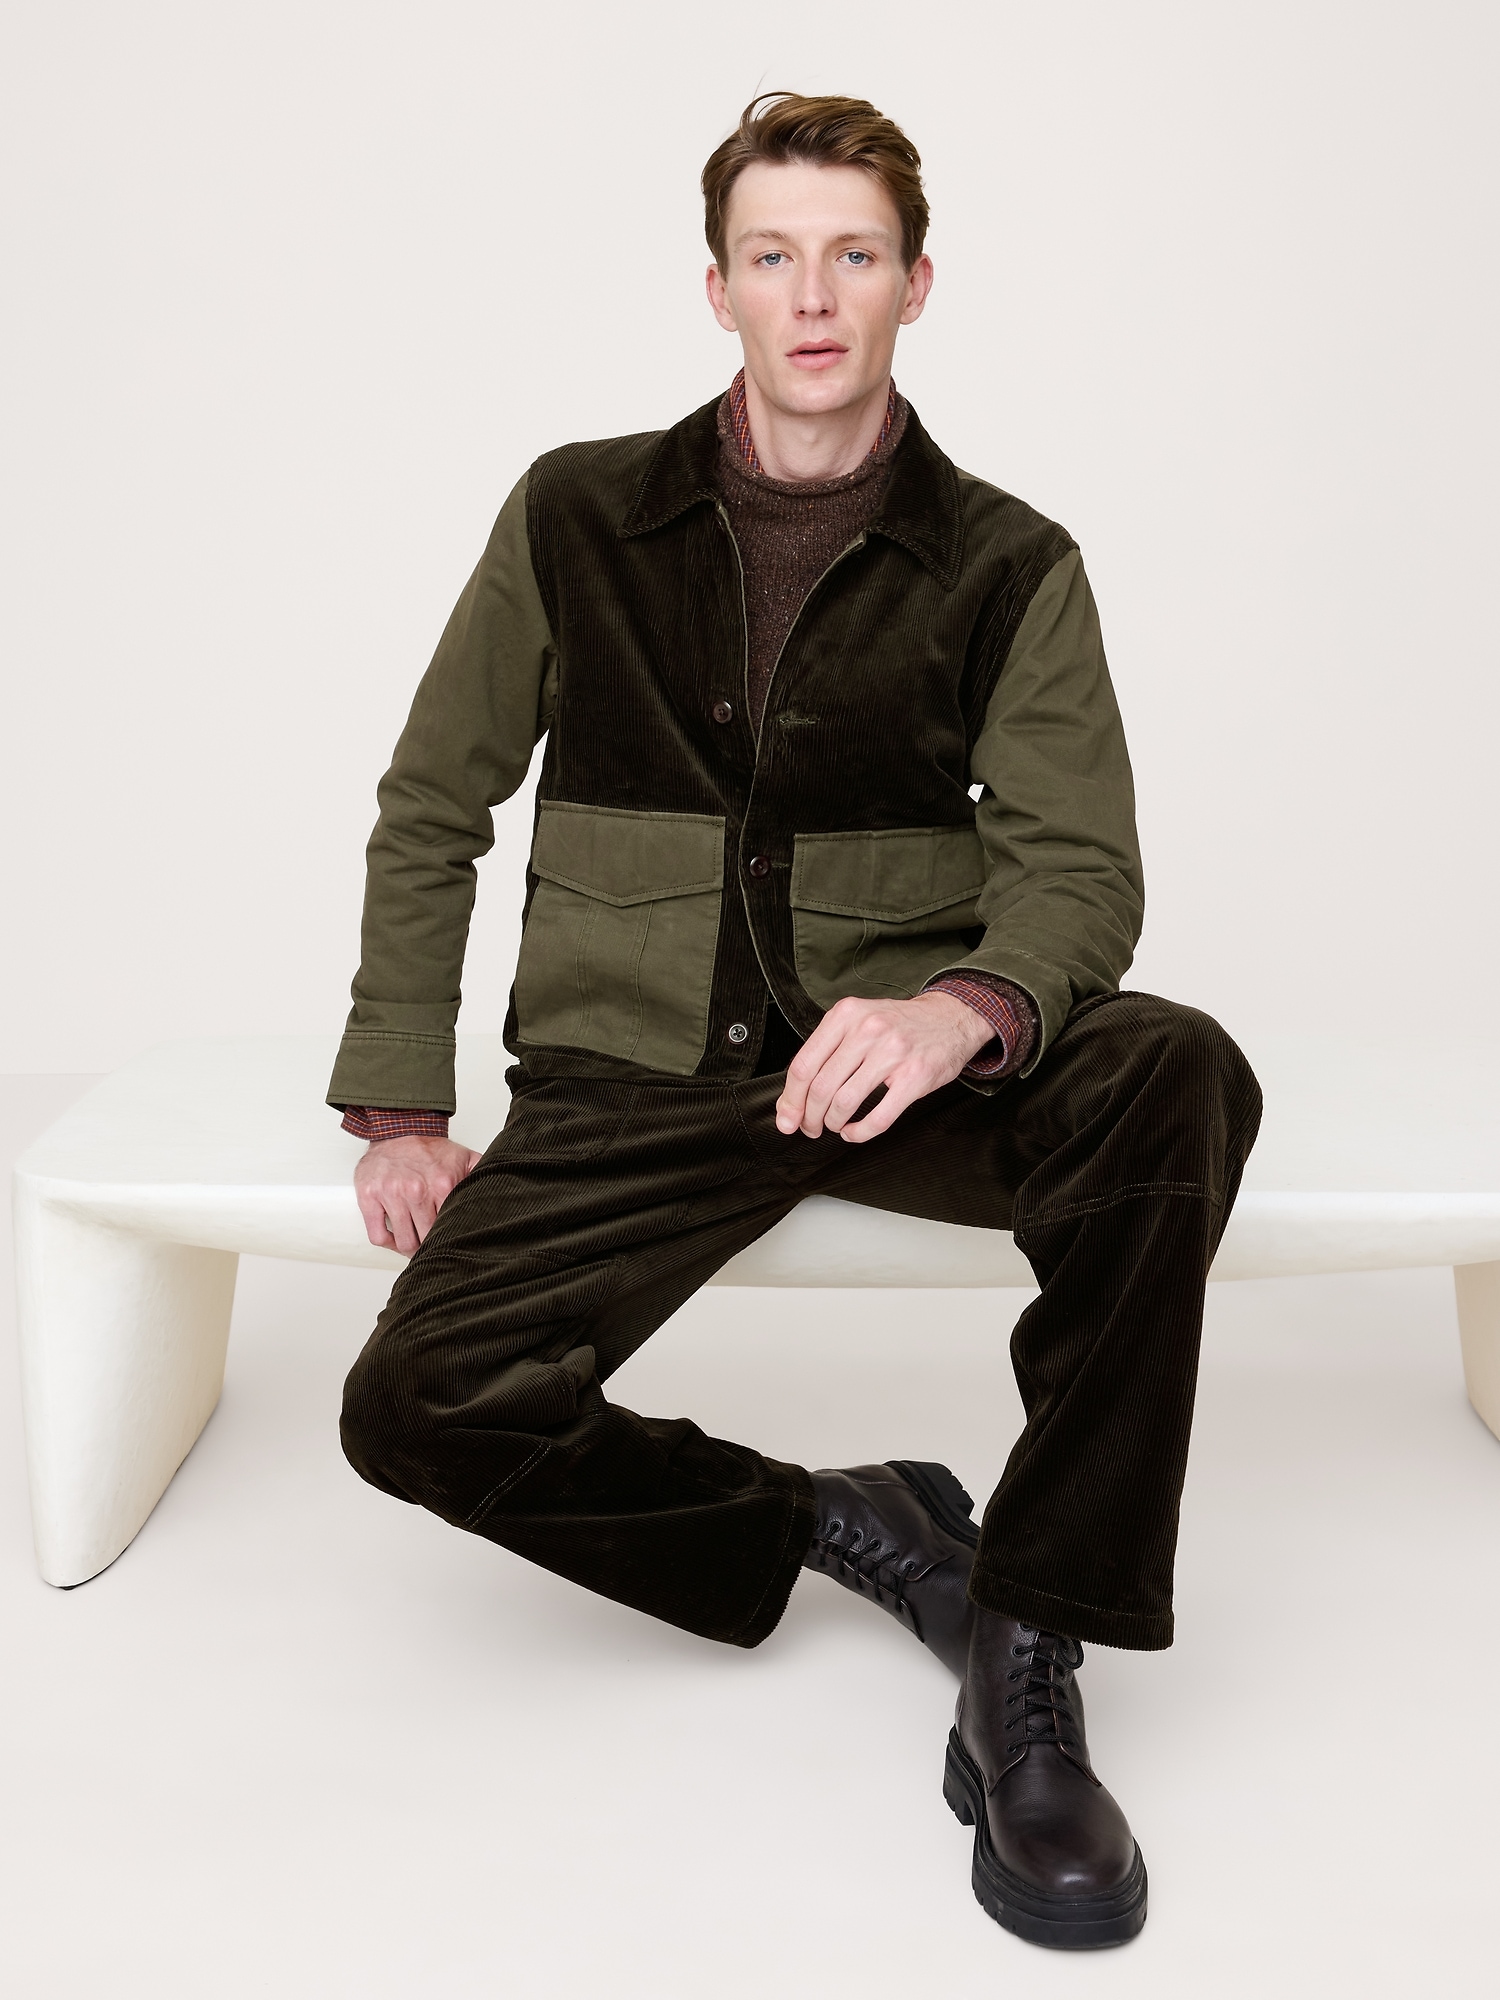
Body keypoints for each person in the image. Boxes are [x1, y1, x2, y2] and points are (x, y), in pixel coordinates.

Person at [328, 91, 1261, 1951]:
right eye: (774, 256)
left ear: (916, 284)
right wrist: (401, 1104)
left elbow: (1081, 871)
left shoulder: (1009, 561)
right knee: (417, 1403)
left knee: (1176, 1072)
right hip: (631, 1069)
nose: (813, 295)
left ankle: (1026, 1648)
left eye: (853, 255)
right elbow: (435, 802)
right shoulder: (575, 512)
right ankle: (848, 1523)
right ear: (719, 288)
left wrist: (960, 1010)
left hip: (892, 1067)